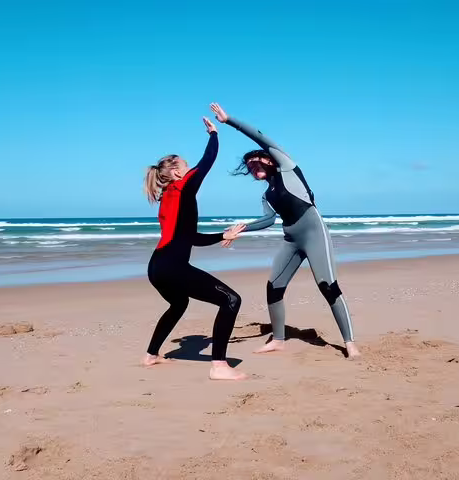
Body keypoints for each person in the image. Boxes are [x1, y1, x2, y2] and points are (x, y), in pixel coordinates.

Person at [210, 103, 360, 359]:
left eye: (256, 160)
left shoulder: (288, 168)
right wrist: (241, 228)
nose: (252, 165)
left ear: (269, 160)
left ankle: (350, 343)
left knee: (328, 286)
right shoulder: (267, 195)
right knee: (274, 286)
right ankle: (278, 339)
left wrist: (229, 121)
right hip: (291, 238)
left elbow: (260, 137)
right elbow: (268, 220)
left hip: (313, 232)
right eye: (248, 164)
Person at [142, 116, 248, 380]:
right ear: (178, 173)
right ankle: (219, 367)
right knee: (231, 300)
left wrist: (223, 234)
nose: (190, 171)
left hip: (157, 267)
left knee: (178, 304)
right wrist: (214, 134)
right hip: (172, 267)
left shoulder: (170, 198)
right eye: (185, 167)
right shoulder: (181, 189)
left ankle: (151, 355)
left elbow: (189, 238)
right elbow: (207, 163)